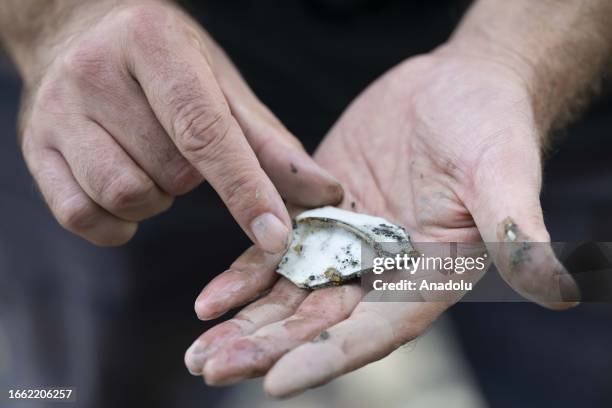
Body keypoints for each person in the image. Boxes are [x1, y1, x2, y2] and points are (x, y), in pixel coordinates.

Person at [0, 0, 610, 405]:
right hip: (139, 95)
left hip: (537, 98)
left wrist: (510, 54)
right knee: (81, 383)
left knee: (583, 367)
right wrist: (57, 20)